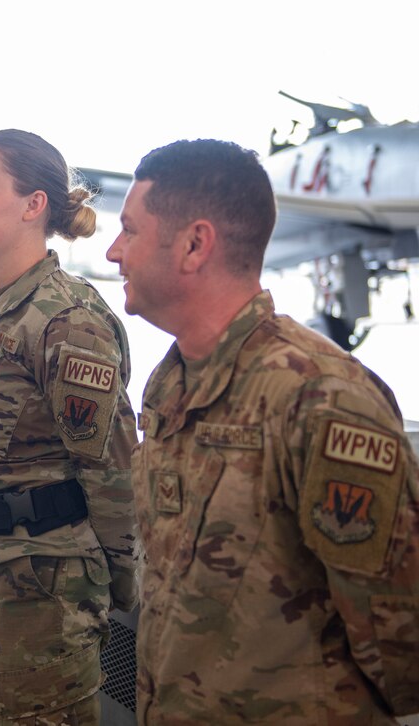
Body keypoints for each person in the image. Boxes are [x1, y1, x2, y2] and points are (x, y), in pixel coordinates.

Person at [106, 138, 419, 724]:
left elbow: (397, 634)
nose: (113, 250)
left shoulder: (319, 396)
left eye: (130, 230)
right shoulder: (171, 384)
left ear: (195, 244)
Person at [0, 129, 140, 725]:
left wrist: (122, 590)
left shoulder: (65, 319)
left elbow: (111, 469)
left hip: (41, 590)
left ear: (33, 204)